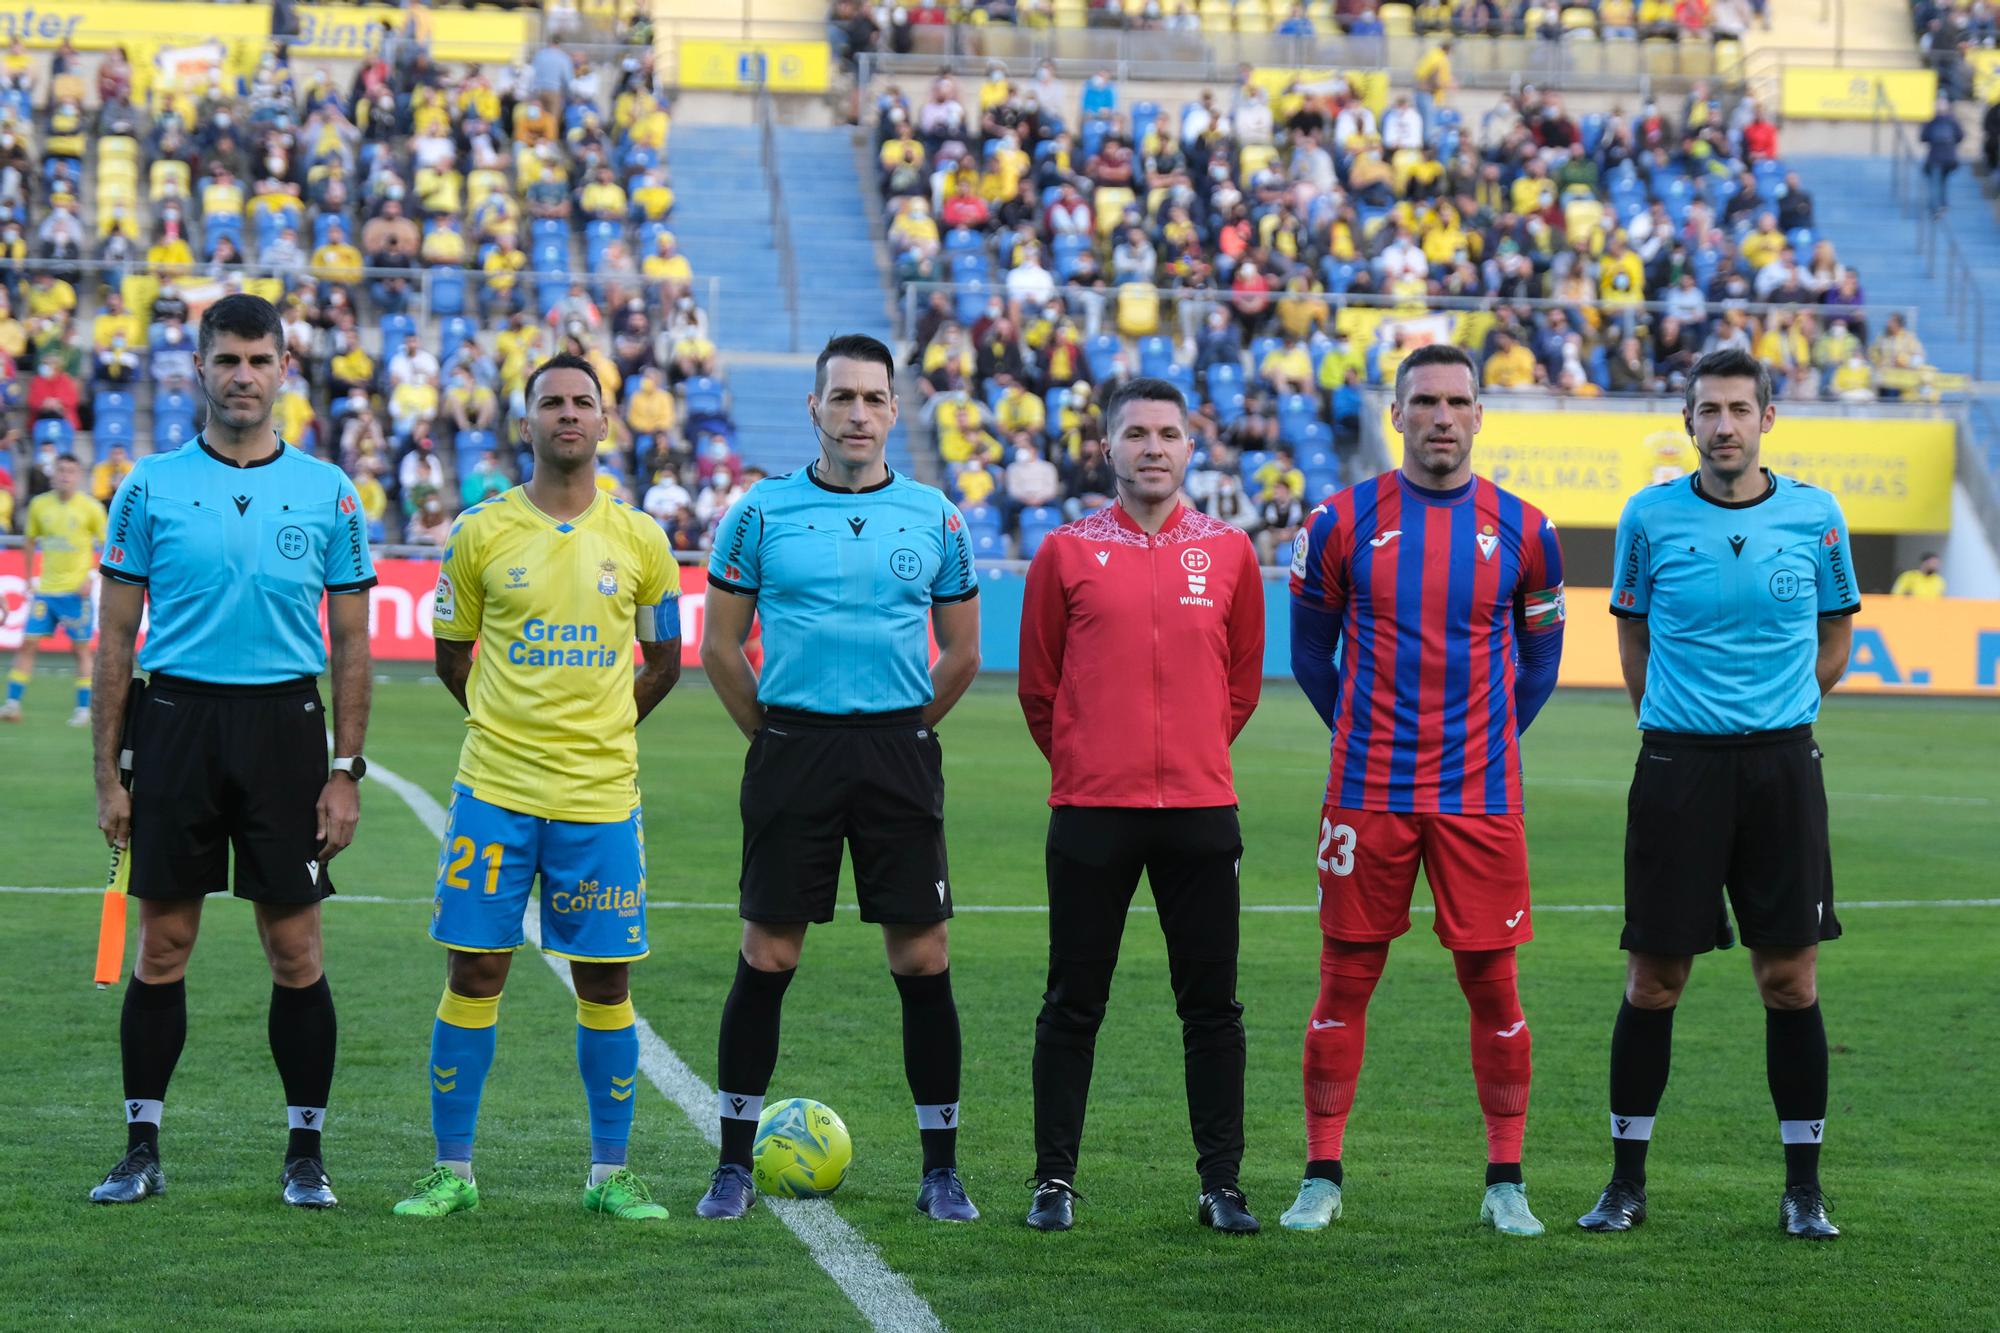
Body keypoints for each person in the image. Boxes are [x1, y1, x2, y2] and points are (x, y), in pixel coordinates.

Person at [87, 294, 376, 1208]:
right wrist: (109, 774)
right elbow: (114, 638)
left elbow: (354, 643)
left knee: (295, 945)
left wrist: (345, 769)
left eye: (259, 360)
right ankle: (140, 1147)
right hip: (174, 725)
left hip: (287, 729)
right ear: (200, 370)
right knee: (163, 942)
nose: (243, 376)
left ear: (284, 369)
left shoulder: (330, 489)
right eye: (227, 360)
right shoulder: (149, 485)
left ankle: (305, 1155)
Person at [695, 334, 982, 1223]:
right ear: (813, 409)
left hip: (898, 754)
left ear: (895, 410)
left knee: (922, 955)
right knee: (769, 952)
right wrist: (774, 734)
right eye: (842, 397)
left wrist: (902, 732)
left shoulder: (936, 515)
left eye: (874, 398)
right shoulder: (760, 512)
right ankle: (733, 1165)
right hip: (794, 752)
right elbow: (718, 645)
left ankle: (941, 1169)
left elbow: (965, 651)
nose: (858, 413)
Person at [1284, 343, 1567, 1237]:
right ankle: (1321, 1173)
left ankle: (1506, 1179)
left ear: (1480, 416)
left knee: (1495, 987)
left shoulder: (1529, 529)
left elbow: (1542, 660)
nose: (1442, 416)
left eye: (1459, 401)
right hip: (1367, 793)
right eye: (1425, 401)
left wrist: (1479, 742)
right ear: (1395, 415)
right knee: (1343, 983)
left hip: (1479, 797)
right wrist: (1367, 736)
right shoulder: (1337, 520)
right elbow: (1306, 652)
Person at [392, 353, 683, 1222]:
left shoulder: (641, 539)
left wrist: (602, 726)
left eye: (581, 402)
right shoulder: (480, 533)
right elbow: (453, 653)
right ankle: (453, 1171)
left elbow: (664, 658)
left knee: (604, 980)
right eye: (550, 402)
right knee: (476, 967)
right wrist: (505, 722)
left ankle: (610, 1177)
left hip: (600, 796)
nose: (567, 414)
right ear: (526, 424)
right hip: (495, 789)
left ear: (604, 422)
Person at [1582, 348, 1858, 1242]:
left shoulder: (1817, 516)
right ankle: (1626, 1182)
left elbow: (1835, 636)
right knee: (1654, 980)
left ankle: (1804, 1190)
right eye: (1710, 410)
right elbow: (1633, 642)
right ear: (1690, 421)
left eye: (1741, 408)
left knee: (1789, 980)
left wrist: (1780, 717)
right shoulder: (1649, 516)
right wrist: (1671, 727)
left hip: (1782, 770)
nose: (1725, 425)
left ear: (1769, 418)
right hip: (1677, 769)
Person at [1017, 377, 1266, 1234]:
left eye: (1169, 433)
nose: (1153, 446)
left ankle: (1222, 1184)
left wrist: (1187, 754)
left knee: (1212, 1006)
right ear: (1108, 448)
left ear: (1191, 449)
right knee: (1072, 1001)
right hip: (1092, 811)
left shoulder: (1230, 551)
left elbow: (1239, 685)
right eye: (1136, 433)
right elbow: (1040, 687)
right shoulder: (1065, 551)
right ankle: (1053, 1181)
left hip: (1201, 809)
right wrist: (1094, 760)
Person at [1, 452, 103, 725]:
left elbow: (107, 545)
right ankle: (11, 704)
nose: (65, 476)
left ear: (78, 475)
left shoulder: (91, 508)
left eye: (70, 471)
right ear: (53, 474)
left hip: (75, 593)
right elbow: (30, 541)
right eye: (60, 471)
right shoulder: (39, 505)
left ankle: (83, 709)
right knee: (27, 644)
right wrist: (27, 578)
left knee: (80, 650)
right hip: (46, 590)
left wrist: (92, 576)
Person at [1921, 97, 1964, 216]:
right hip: (1936, 157)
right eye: (1937, 104)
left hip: (1947, 158)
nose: (1939, 107)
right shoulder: (1932, 122)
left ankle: (1939, 205)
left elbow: (1960, 136)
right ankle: (1938, 206)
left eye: (1941, 104)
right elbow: (1923, 137)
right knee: (1937, 181)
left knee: (1940, 182)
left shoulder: (1952, 122)